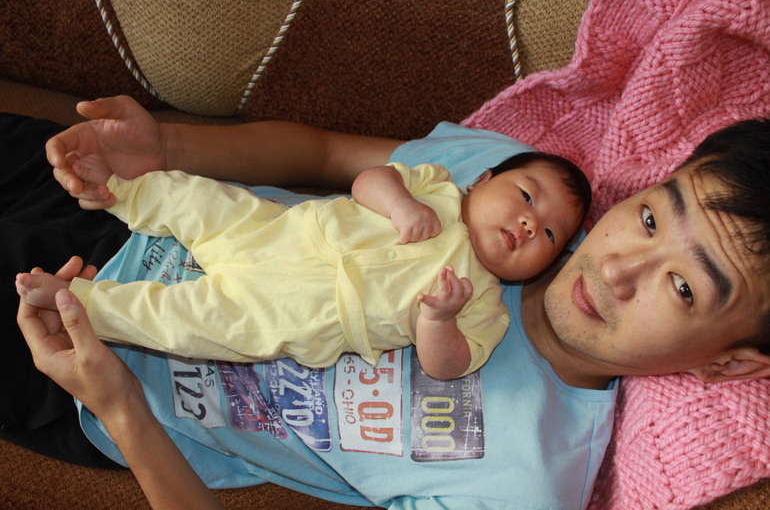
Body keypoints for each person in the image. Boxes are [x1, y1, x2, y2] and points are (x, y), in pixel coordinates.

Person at [8, 96, 770, 510]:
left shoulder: (526, 484)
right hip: (130, 199)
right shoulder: (515, 188)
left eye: (683, 286)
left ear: (732, 361)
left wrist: (118, 406)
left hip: (79, 367)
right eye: (650, 217)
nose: (618, 268)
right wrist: (167, 149)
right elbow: (325, 153)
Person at [16, 149, 589, 380]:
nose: (528, 224)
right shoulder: (436, 187)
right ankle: (119, 191)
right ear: (483, 179)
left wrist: (438, 321)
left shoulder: (482, 301)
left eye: (549, 233)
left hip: (294, 316)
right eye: (527, 195)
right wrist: (399, 203)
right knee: (199, 199)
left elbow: (448, 367)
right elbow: (369, 179)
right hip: (275, 233)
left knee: (181, 324)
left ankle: (77, 304)